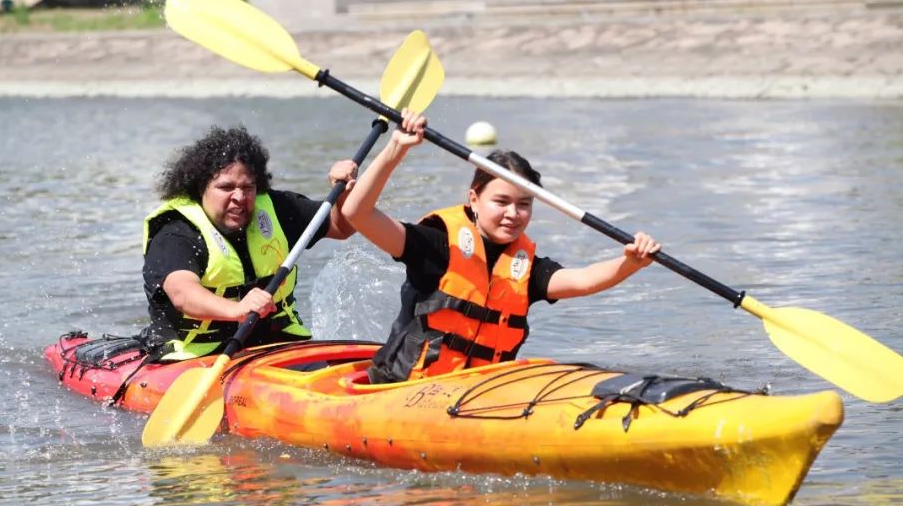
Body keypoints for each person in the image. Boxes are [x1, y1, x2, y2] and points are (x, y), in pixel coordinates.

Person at [342, 110, 662, 384]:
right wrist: (395, 150)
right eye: (501, 201)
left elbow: (583, 280)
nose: (513, 213)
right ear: (474, 199)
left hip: (477, 394)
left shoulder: (525, 266)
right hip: (398, 389)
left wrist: (630, 262)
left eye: (524, 204)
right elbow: (357, 213)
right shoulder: (438, 243)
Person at [141, 125, 357, 360]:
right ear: (200, 187)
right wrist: (236, 309)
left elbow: (343, 226)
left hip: (277, 347)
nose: (239, 198)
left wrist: (345, 190)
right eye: (226, 187)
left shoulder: (277, 209)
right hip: (198, 358)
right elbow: (183, 293)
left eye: (247, 187)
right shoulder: (175, 231)